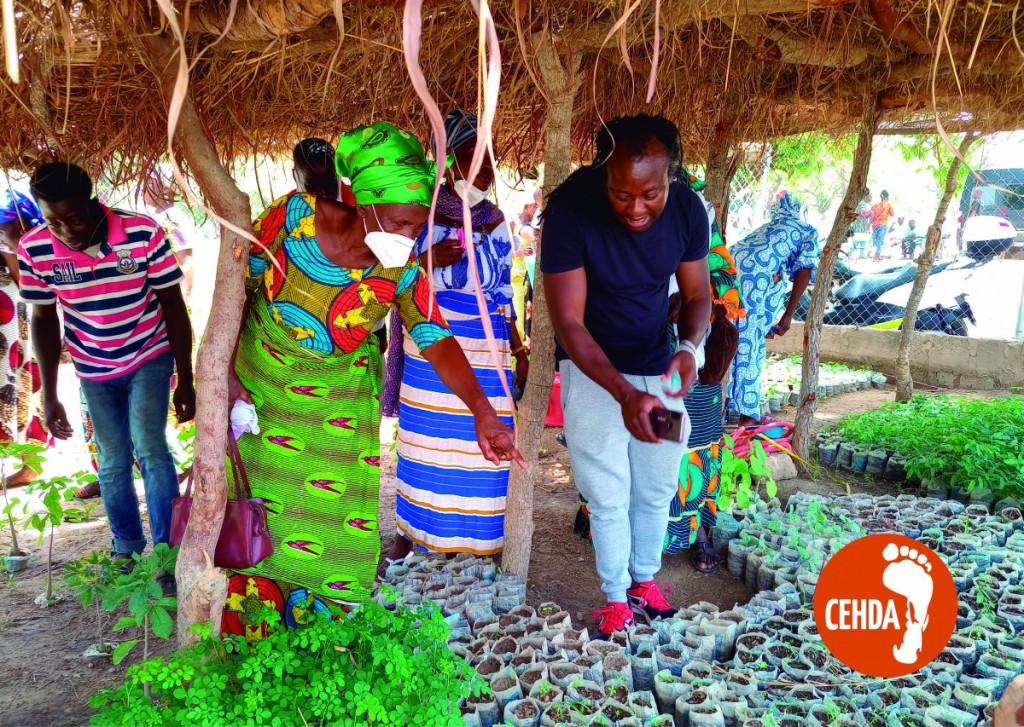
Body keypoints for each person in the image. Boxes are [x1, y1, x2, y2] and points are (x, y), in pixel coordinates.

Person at [226, 122, 523, 624]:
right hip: (263, 398)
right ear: (361, 201)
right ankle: (253, 628)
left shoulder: (402, 267)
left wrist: (482, 412)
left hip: (339, 405)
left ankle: (322, 636)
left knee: (337, 527)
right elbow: (235, 292)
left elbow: (434, 334)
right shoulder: (287, 220)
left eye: (416, 226)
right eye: (399, 223)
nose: (409, 238)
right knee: (263, 517)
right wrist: (227, 378)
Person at [542, 114, 711, 637]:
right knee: (607, 489)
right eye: (622, 194)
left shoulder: (686, 209)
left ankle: (644, 582)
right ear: (603, 173)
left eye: (651, 193)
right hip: (592, 370)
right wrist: (621, 393)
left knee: (658, 483)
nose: (636, 207)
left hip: (657, 366)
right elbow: (568, 323)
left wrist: (687, 346)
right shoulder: (570, 214)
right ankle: (615, 598)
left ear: (671, 178)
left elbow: (699, 293)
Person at [19, 163, 194, 595]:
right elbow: (43, 318)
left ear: (94, 204)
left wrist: (185, 377)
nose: (65, 230)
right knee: (111, 457)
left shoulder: (141, 233)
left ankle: (168, 557)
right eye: (53, 221)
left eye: (74, 218)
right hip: (92, 365)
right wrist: (50, 394)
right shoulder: (35, 248)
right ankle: (126, 548)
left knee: (150, 448)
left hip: (149, 354)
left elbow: (173, 305)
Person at [572, 169, 743, 575]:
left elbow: (721, 284)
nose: (641, 205)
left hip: (682, 359)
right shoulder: (611, 218)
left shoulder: (697, 216)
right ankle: (622, 569)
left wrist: (695, 312)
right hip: (629, 359)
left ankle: (690, 533)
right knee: (616, 450)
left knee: (685, 442)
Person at [385, 110, 528, 563]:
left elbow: (506, 288)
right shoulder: (419, 212)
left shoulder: (497, 218)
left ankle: (478, 545)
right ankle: (417, 533)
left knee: (481, 446)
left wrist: (519, 347)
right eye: (473, 159)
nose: (484, 170)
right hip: (433, 343)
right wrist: (426, 259)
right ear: (448, 164)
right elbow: (388, 278)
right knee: (429, 442)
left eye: (489, 161)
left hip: (488, 350)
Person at [728, 193, 817, 427]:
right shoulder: (805, 230)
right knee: (751, 344)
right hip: (756, 282)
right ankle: (747, 417)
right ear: (797, 211)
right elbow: (804, 271)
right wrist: (788, 315)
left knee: (727, 339)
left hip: (729, 272)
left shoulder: (767, 229)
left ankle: (724, 405)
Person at [0, 191, 50, 486]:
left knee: (17, 384)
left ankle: (30, 465)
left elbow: (22, 278)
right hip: (13, 313)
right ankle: (30, 465)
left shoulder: (5, 221)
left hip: (9, 316)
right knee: (21, 384)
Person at [292, 137, 340, 201]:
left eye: (329, 183)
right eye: (313, 185)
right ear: (295, 177)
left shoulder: (355, 201)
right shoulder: (285, 208)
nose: (323, 193)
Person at [870, 190, 894, 261]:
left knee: (877, 240)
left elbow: (871, 216)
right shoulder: (888, 205)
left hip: (875, 225)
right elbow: (892, 214)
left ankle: (878, 255)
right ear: (887, 197)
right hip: (883, 225)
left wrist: (869, 224)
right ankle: (876, 256)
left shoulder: (875, 205)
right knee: (880, 240)